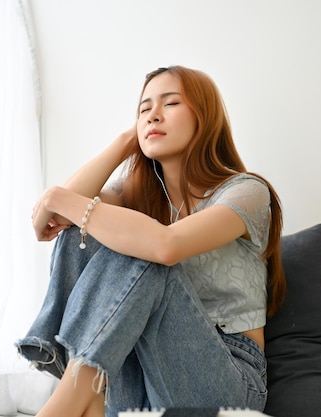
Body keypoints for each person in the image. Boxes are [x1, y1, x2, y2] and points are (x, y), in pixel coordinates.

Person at [16, 65, 285, 417]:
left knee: (143, 245)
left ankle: (69, 402)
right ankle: (87, 395)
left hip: (227, 382)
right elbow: (61, 221)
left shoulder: (247, 192)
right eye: (144, 109)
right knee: (88, 231)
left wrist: (56, 196)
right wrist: (126, 141)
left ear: (204, 118)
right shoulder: (136, 196)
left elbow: (166, 246)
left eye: (170, 104)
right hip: (137, 378)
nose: (153, 116)